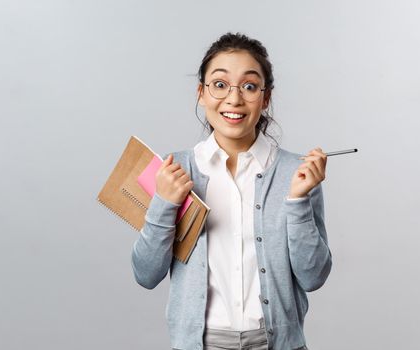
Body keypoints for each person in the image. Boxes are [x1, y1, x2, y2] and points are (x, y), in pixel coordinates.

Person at [131, 32, 332, 350]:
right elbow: (145, 273)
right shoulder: (172, 171)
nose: (234, 99)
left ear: (265, 98)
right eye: (220, 84)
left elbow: (314, 276)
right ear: (201, 92)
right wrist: (165, 204)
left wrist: (297, 200)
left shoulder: (298, 173)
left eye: (250, 86)